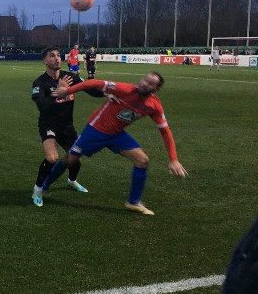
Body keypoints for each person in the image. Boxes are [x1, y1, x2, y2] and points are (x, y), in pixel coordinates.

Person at [37, 72, 188, 215]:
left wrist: (173, 159)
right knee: (70, 160)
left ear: (156, 89)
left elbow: (165, 131)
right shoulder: (124, 89)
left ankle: (133, 202)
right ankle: (44, 186)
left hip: (116, 135)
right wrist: (68, 91)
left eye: (150, 83)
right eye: (145, 79)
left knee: (142, 161)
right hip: (95, 131)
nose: (144, 83)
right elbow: (93, 83)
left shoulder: (154, 105)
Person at [31, 47, 111, 206]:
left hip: (67, 126)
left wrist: (109, 93)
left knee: (75, 160)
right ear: (45, 61)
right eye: (52, 56)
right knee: (52, 158)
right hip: (49, 125)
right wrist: (58, 92)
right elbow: (42, 105)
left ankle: (71, 181)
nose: (57, 59)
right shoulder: (39, 83)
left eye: (58, 56)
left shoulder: (70, 77)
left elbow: (90, 89)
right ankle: (38, 189)